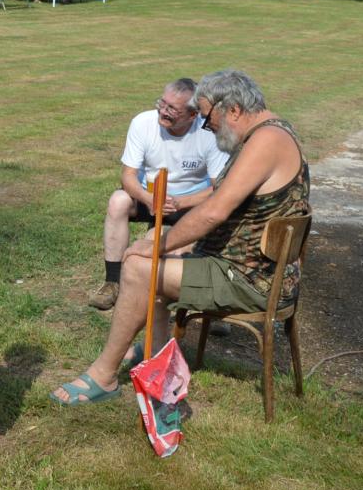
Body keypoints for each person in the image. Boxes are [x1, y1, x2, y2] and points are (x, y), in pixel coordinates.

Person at [53, 70, 310, 405]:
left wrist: (157, 245)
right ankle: (157, 357)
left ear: (232, 110)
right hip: (249, 269)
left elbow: (214, 211)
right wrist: (165, 243)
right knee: (157, 257)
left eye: (206, 117)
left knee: (139, 267)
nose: (206, 127)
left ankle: (104, 375)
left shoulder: (265, 142)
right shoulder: (273, 131)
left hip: (248, 279)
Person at [88, 78, 228, 311]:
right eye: (162, 103)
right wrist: (148, 198)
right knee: (117, 201)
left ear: (193, 115)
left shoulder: (208, 133)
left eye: (172, 109)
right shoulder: (142, 123)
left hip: (190, 201)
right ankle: (112, 282)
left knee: (209, 219)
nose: (163, 111)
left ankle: (203, 294)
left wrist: (181, 202)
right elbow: (128, 176)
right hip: (150, 196)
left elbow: (219, 186)